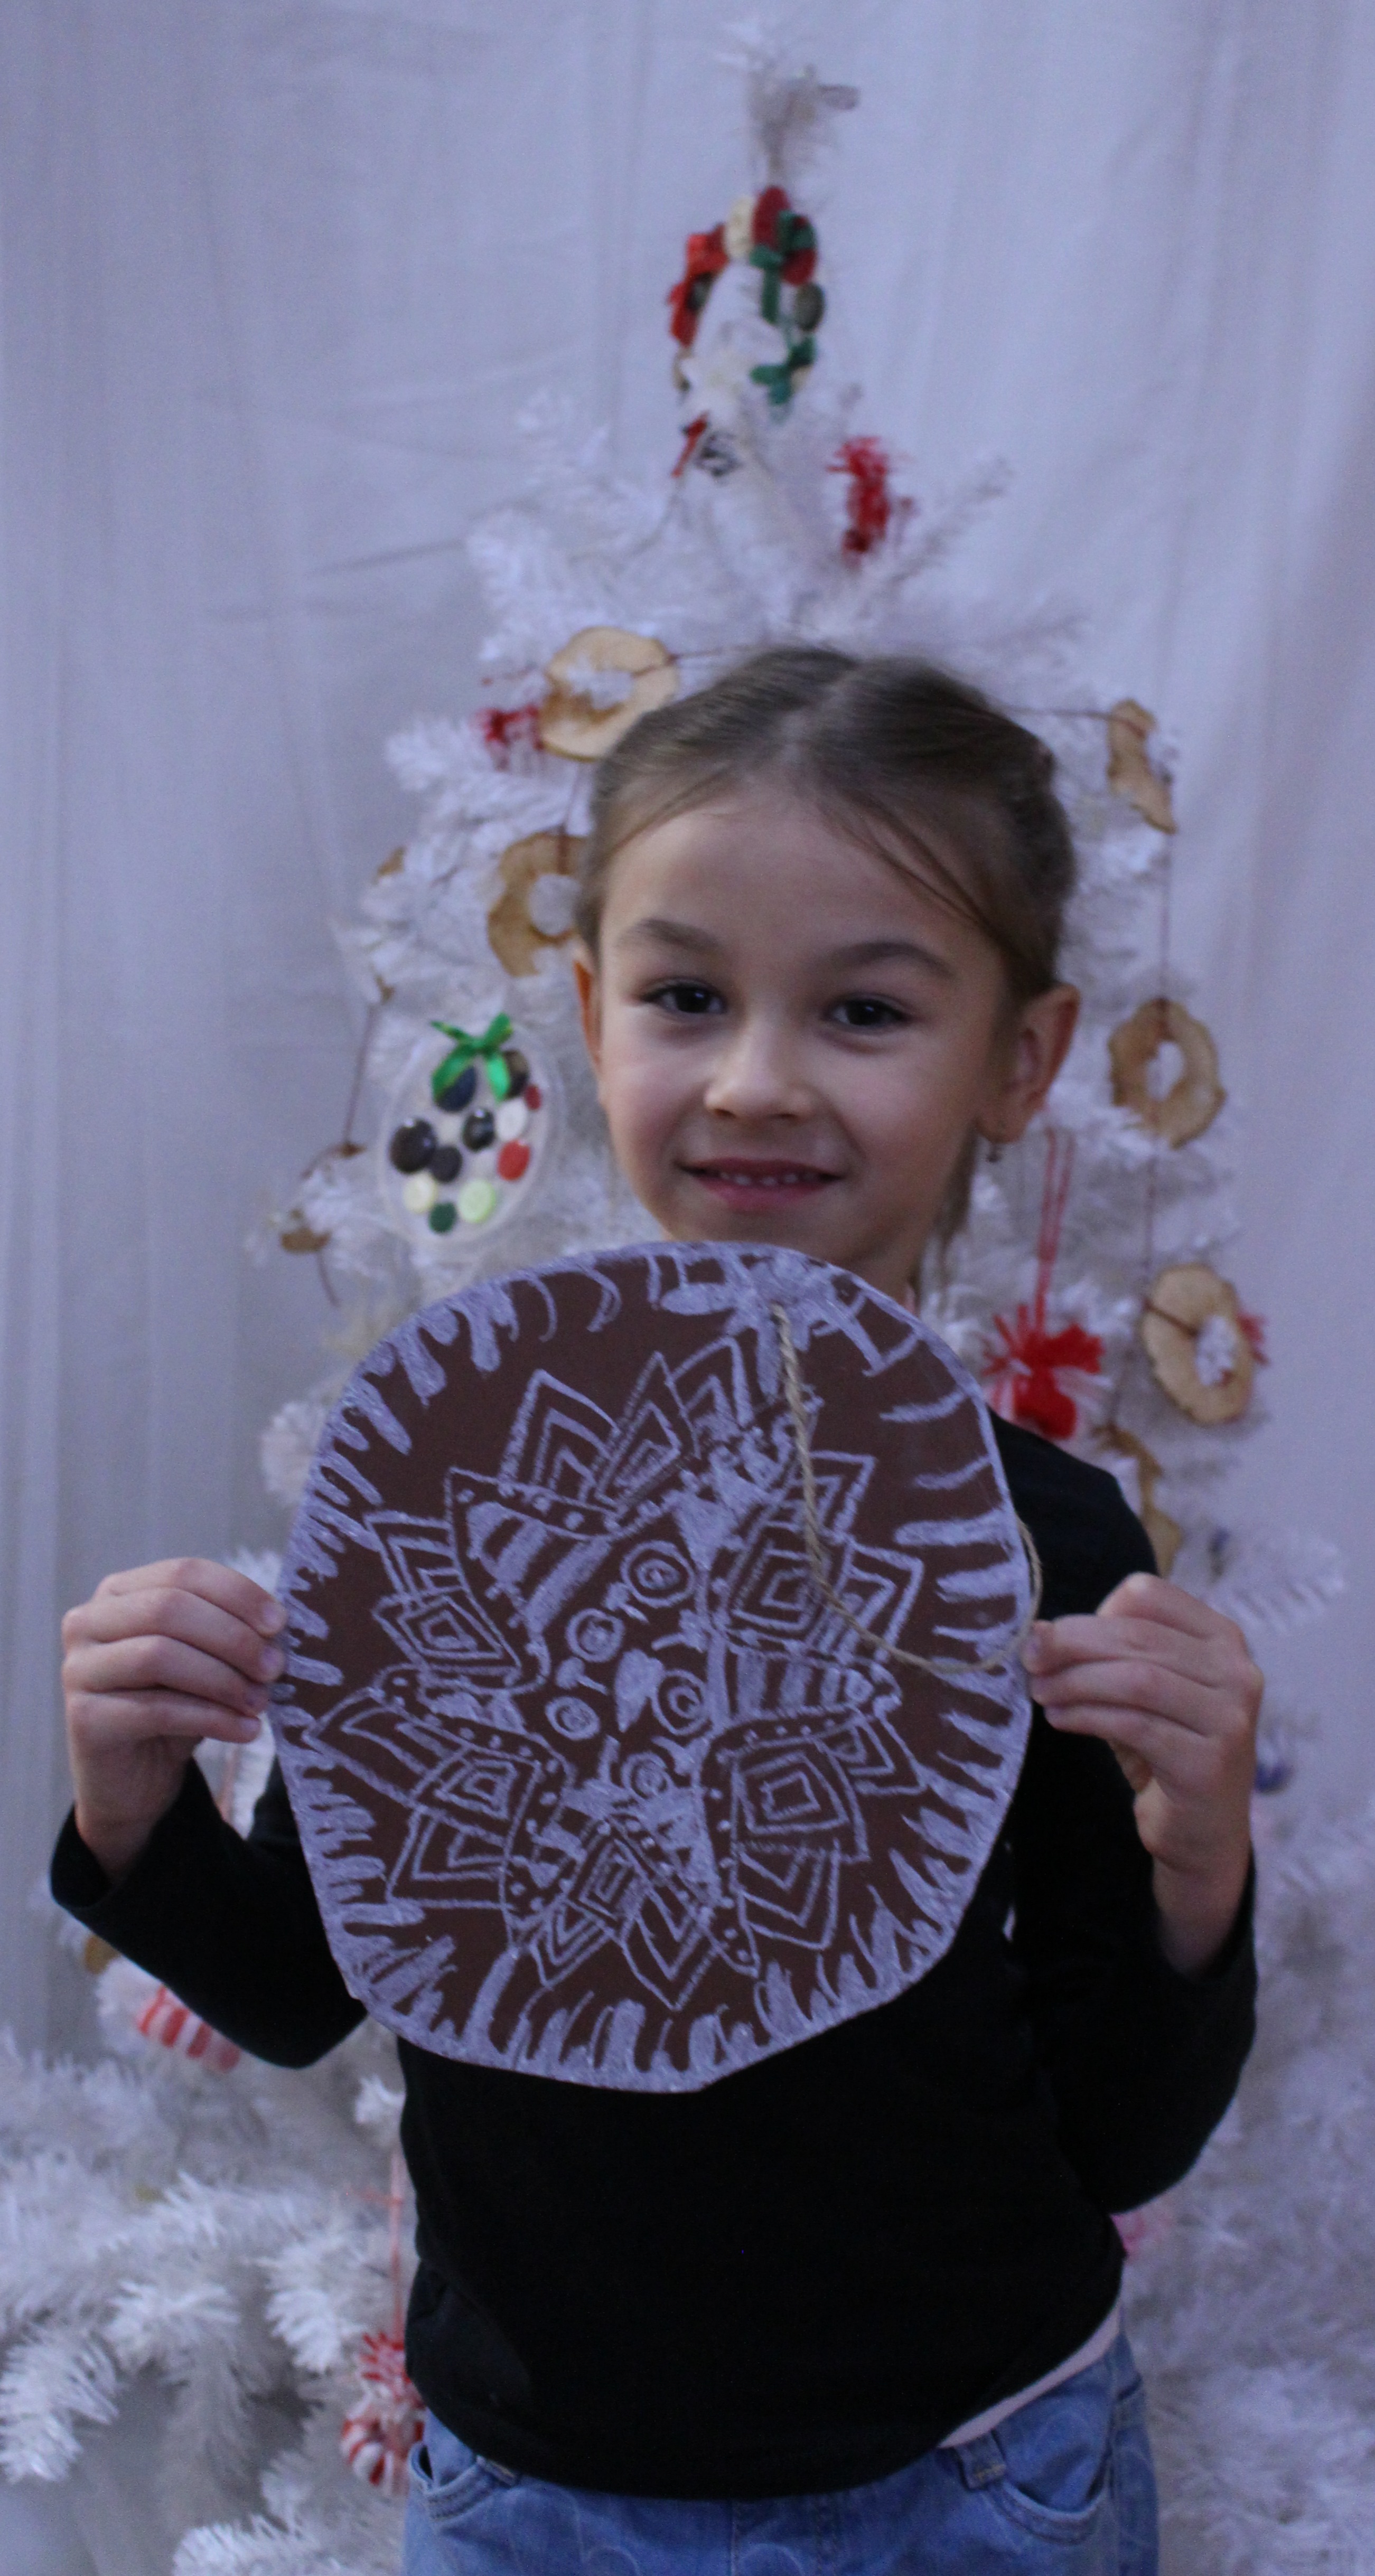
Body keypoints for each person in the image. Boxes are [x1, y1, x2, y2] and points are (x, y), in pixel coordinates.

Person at [54, 651, 1261, 2575]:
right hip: (534, 2487)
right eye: (687, 996)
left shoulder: (1035, 1536)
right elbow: (302, 1984)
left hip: (973, 2474)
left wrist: (1193, 1863)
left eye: (864, 1008)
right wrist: (137, 1810)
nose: (757, 1078)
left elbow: (1119, 2135)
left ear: (1018, 1063)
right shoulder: (454, 1484)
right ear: (589, 1009)